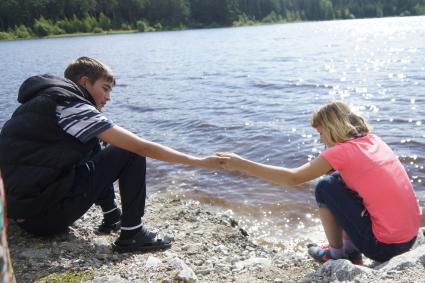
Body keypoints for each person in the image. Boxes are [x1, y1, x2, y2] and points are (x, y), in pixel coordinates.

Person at [0, 56, 225, 253]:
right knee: (129, 149)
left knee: (95, 140)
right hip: (43, 218)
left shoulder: (41, 102)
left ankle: (112, 215)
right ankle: (132, 233)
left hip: (23, 214)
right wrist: (198, 161)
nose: (108, 97)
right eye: (105, 88)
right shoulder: (72, 106)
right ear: (84, 82)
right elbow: (141, 146)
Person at [218, 101, 421, 264]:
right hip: (409, 239)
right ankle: (350, 250)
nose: (321, 140)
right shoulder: (373, 141)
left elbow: (293, 177)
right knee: (337, 182)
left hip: (383, 248)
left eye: (321, 133)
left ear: (333, 128)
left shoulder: (341, 152)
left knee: (325, 187)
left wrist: (241, 164)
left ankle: (335, 254)